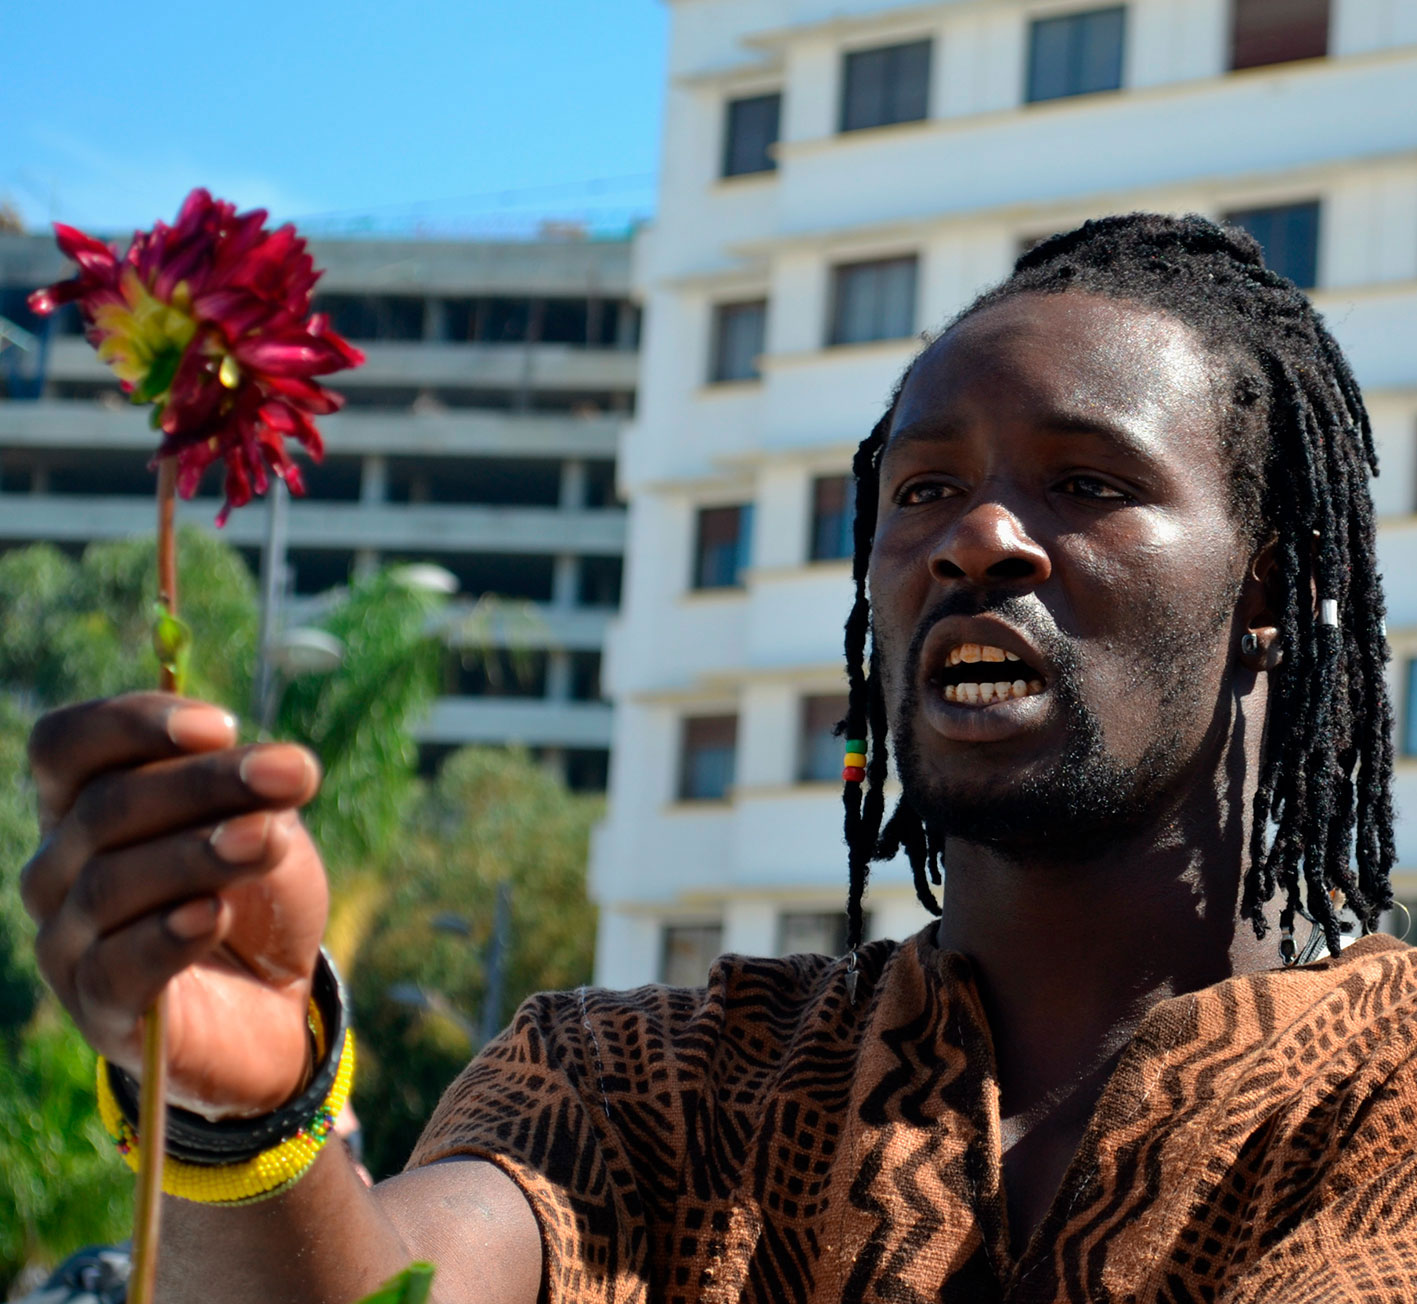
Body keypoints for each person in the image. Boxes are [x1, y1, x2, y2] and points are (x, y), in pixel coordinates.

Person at [20, 213, 1417, 1303]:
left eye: (1086, 482)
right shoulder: (644, 1085)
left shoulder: (1392, 1088)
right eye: (921, 489)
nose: (972, 538)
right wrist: (237, 1119)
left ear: (1270, 593)